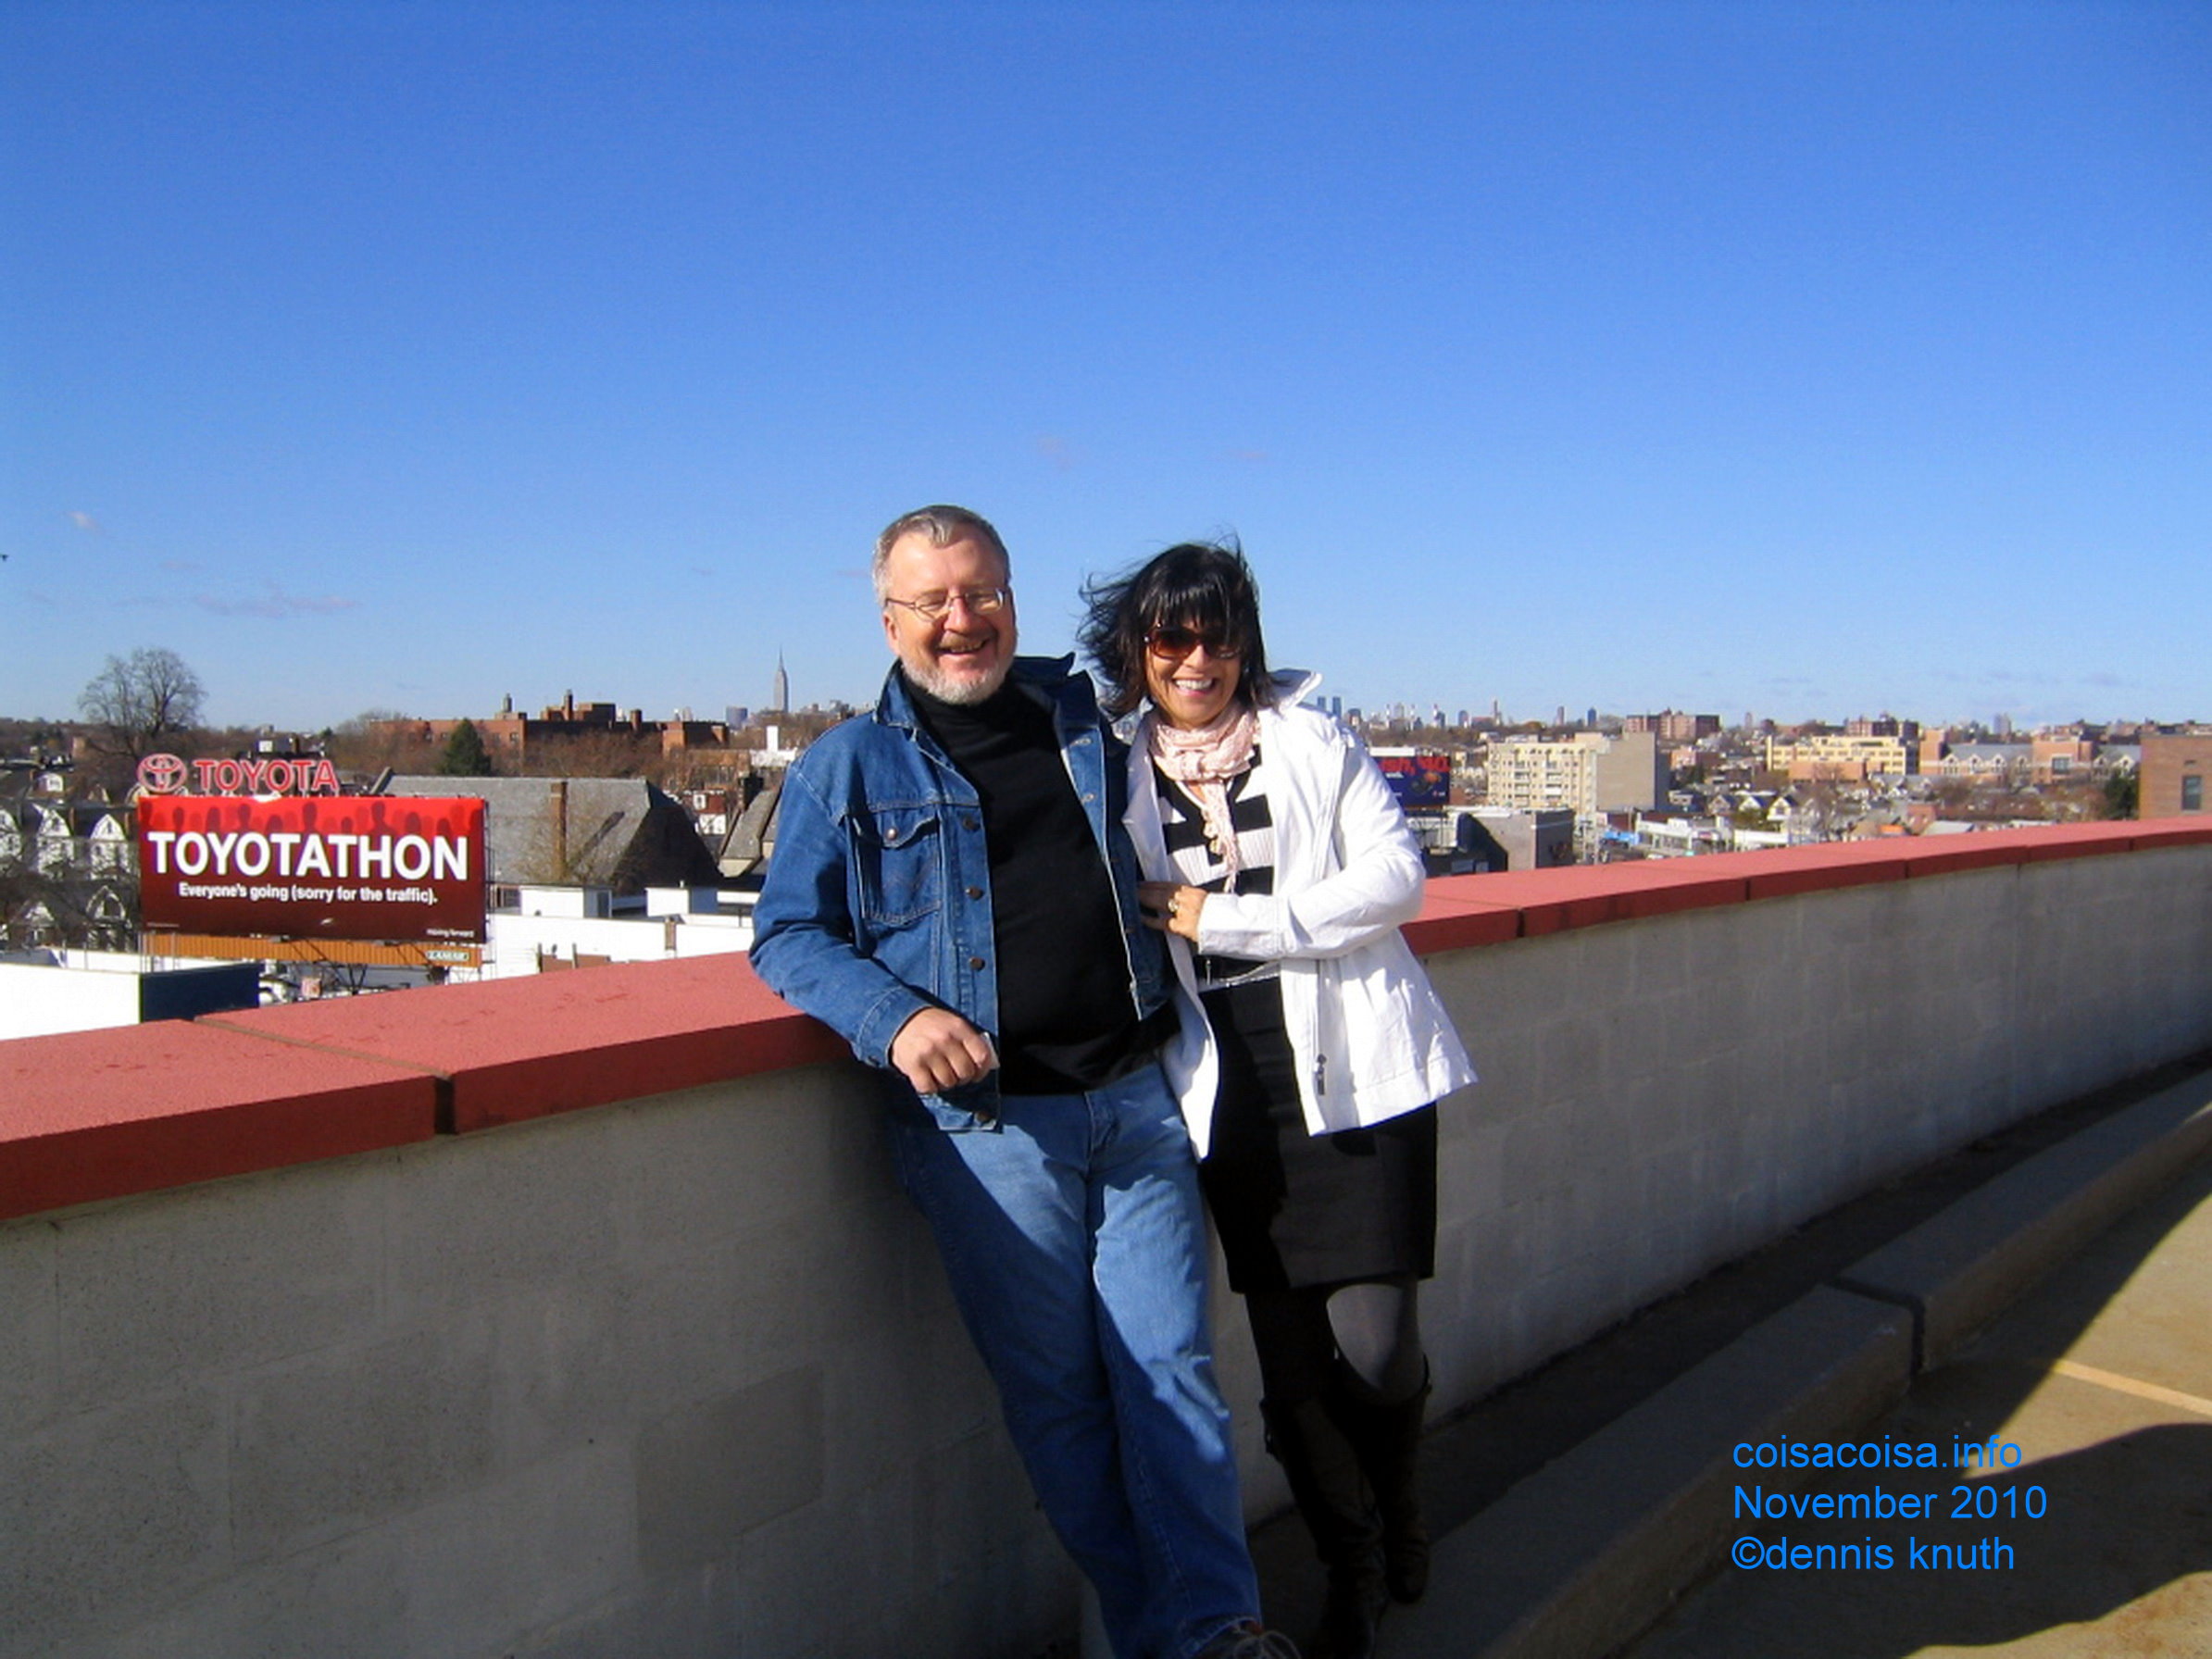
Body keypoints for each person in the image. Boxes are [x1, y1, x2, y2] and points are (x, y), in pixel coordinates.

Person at [749, 506, 1296, 1659]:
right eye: (934, 601)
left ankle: (1214, 1632)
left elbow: (1226, 710)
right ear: (890, 617)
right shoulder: (845, 766)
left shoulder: (1084, 721)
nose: (963, 620)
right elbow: (788, 935)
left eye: (983, 592)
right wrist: (896, 1019)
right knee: (1062, 1403)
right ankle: (1173, 1639)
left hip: (1136, 1098)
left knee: (1176, 1380)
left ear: (1011, 595)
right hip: (991, 1136)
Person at [1079, 542, 1476, 1659]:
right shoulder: (1109, 764)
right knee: (1294, 1372)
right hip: (1226, 1078)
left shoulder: (1313, 736)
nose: (1196, 659)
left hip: (1351, 1056)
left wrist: (1224, 919)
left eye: (1217, 636)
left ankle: (1400, 1505)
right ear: (1136, 649)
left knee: (1379, 1343)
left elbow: (1394, 879)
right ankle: (1350, 1565)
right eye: (1170, 638)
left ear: (1245, 639)